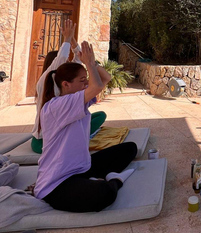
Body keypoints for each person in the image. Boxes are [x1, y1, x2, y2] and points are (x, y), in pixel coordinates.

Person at [34, 41, 137, 212]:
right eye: (82, 80)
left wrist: (93, 63)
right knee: (104, 194)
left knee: (129, 149)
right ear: (66, 84)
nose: (86, 83)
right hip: (57, 183)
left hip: (82, 168)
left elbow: (105, 79)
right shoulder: (56, 106)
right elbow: (97, 85)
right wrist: (88, 63)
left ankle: (97, 178)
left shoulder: (76, 100)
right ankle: (115, 180)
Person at [31, 19, 107, 153]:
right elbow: (61, 58)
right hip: (43, 141)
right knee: (84, 124)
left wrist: (73, 42)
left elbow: (77, 61)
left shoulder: (61, 82)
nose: (67, 62)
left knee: (98, 116)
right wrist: (66, 39)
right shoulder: (45, 81)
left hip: (56, 132)